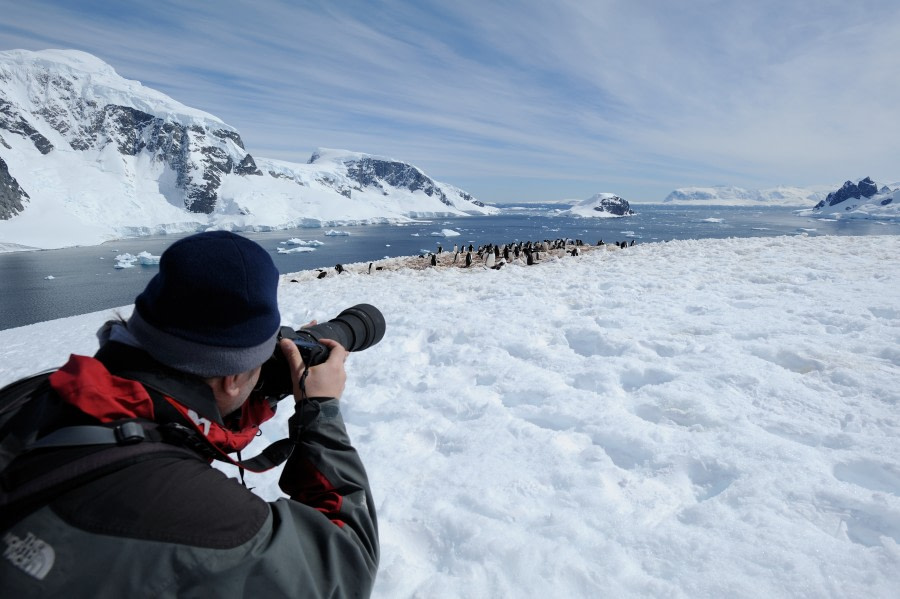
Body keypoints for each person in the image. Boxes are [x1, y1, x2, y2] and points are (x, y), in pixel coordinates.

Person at [0, 231, 379, 597]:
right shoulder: (201, 515)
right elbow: (343, 569)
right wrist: (320, 408)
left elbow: (173, 409)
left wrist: (258, 390)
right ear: (233, 379)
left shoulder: (32, 395)